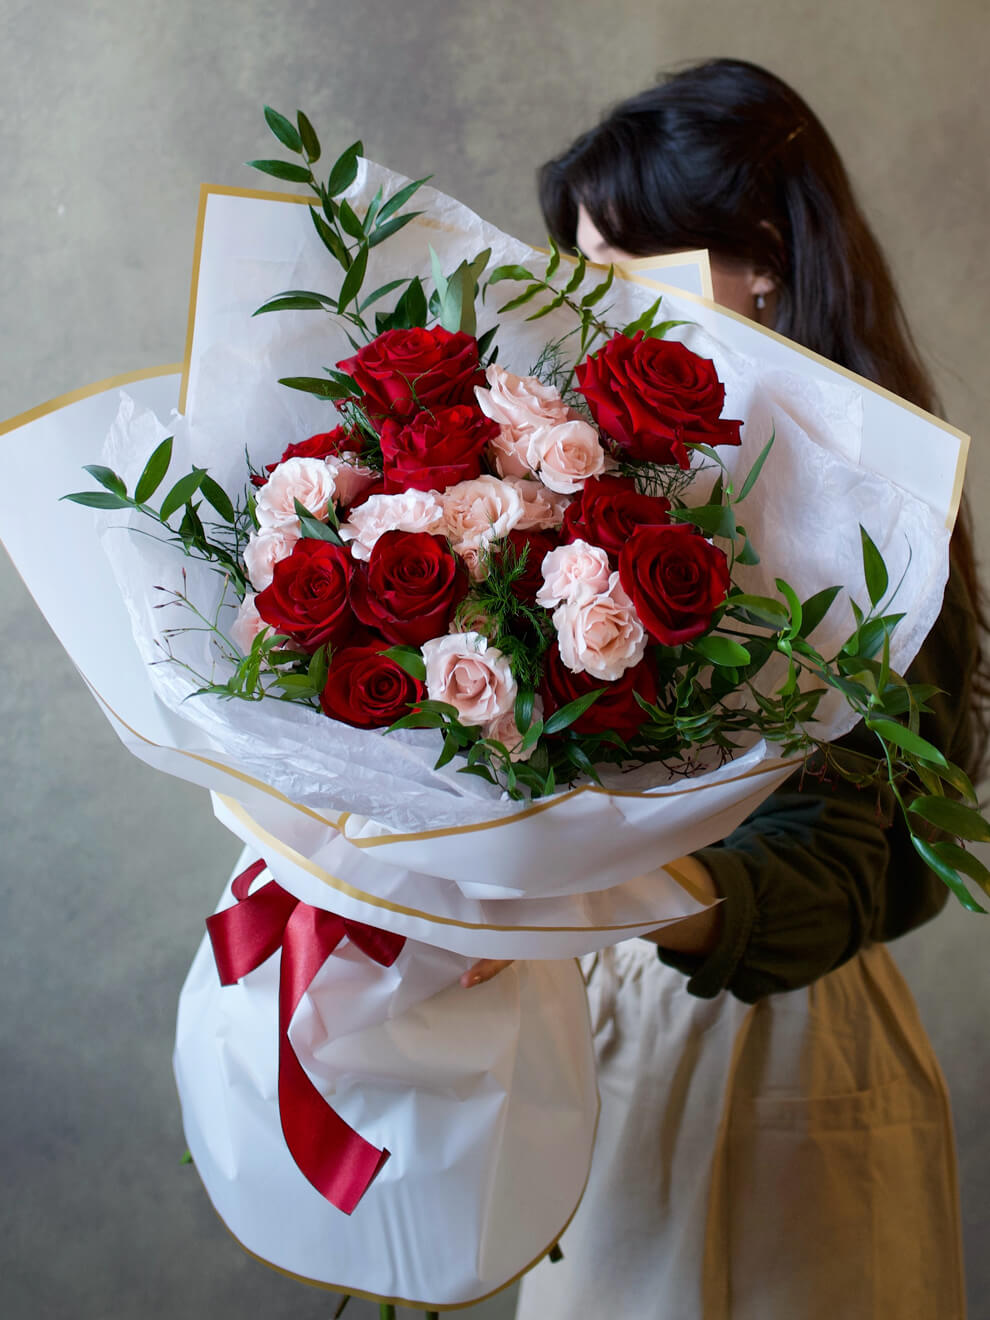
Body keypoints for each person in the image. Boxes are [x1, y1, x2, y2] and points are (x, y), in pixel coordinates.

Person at [461, 59, 984, 1319]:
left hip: (788, 1037)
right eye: (578, 263)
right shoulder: (629, 487)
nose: (591, 302)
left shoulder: (875, 518)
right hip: (613, 1014)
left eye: (623, 262)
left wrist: (594, 883)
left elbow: (847, 871)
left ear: (762, 257)